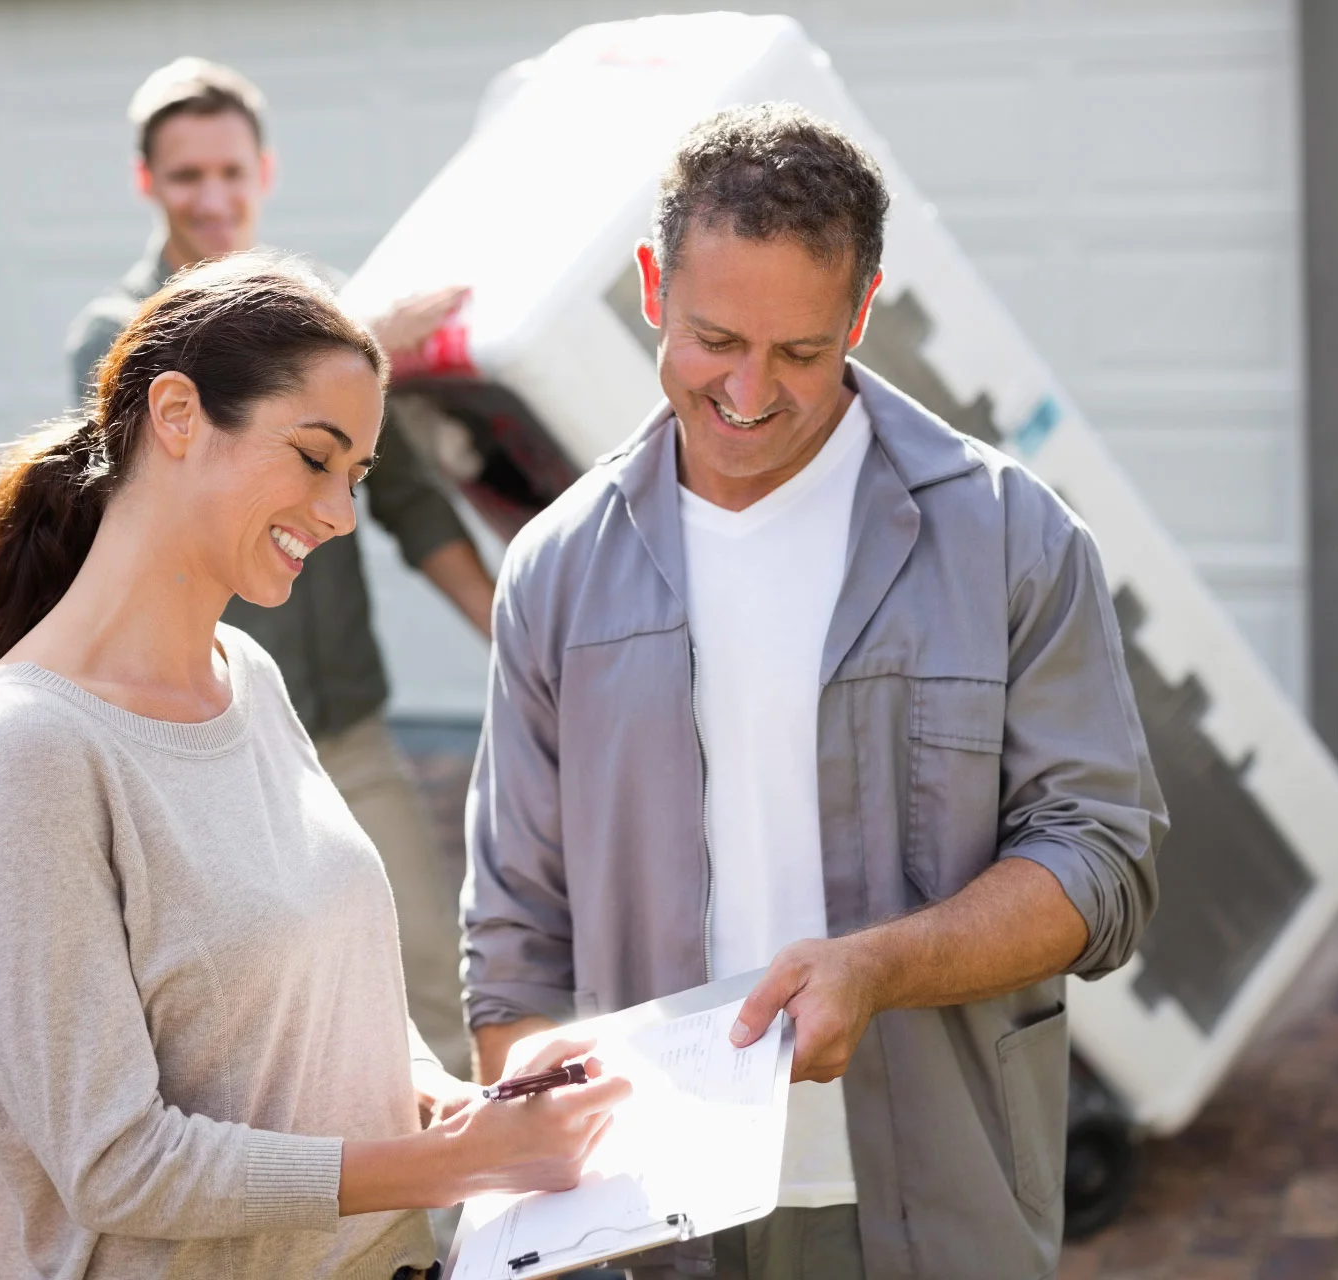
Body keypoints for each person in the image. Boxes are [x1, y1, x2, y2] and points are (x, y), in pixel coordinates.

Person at [462, 104, 1167, 1278]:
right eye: (714, 339)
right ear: (651, 285)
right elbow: (516, 930)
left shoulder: (1011, 536)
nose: (748, 391)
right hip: (655, 1216)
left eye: (799, 351)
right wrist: (548, 1182)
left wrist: (880, 965)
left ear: (863, 309)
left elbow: (1105, 862)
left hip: (936, 1199)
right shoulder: (557, 568)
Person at [0, 254, 627, 1279]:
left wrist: (468, 1105)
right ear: (175, 413)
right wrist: (450, 1165)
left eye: (359, 476)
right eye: (313, 457)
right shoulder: (30, 753)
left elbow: (326, 1030)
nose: (340, 513)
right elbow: (117, 1163)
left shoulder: (244, 675)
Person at [67, 57, 487, 1076]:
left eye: (229, 172)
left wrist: (515, 628)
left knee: (432, 973)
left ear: (265, 170)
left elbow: (411, 499)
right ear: (146, 184)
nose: (211, 200)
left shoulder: (328, 307)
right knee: (264, 1024)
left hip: (343, 728)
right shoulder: (113, 337)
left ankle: (476, 1228)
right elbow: (159, 476)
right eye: (184, 178)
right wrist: (356, 354)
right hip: (201, 754)